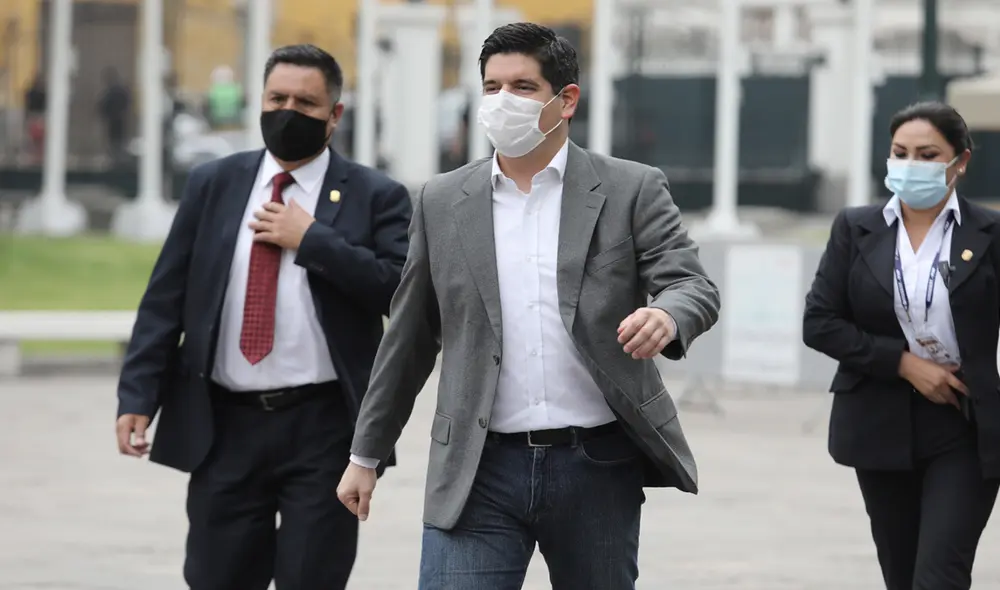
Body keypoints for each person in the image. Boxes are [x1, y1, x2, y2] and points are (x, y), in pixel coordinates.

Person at [337, 23, 720, 590]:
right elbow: (410, 337)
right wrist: (365, 453)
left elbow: (692, 285)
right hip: (477, 466)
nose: (501, 102)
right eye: (491, 87)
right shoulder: (441, 201)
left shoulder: (630, 189)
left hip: (597, 463)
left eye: (521, 87)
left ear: (566, 100)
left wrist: (667, 314)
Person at [115, 44, 411, 590]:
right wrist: (137, 396)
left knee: (312, 577)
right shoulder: (214, 183)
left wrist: (312, 240)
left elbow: (399, 292)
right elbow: (166, 297)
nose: (287, 111)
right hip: (224, 425)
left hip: (324, 428)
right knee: (215, 575)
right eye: (277, 97)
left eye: (305, 101)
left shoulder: (377, 195)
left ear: (334, 114)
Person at [803, 101, 1000, 590]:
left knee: (939, 575)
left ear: (961, 162)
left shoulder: (990, 233)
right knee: (901, 573)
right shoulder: (856, 227)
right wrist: (904, 364)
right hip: (878, 420)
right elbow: (820, 322)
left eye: (928, 154)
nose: (911, 164)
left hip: (965, 424)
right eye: (900, 152)